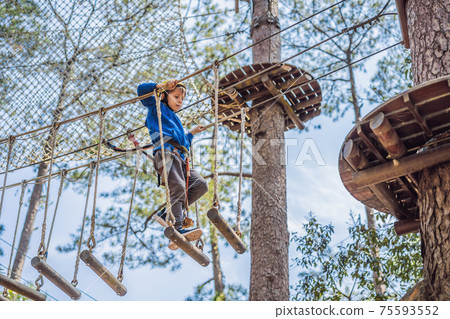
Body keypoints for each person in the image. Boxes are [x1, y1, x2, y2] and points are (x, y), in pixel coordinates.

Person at [137, 79, 208, 243]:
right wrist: (161, 86)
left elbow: (183, 143)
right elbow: (142, 90)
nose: (180, 101)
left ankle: (166, 213)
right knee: (178, 186)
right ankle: (176, 228)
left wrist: (191, 133)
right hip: (166, 153)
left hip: (180, 157)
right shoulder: (157, 108)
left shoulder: (176, 120)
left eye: (182, 99)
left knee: (200, 184)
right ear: (164, 96)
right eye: (176, 97)